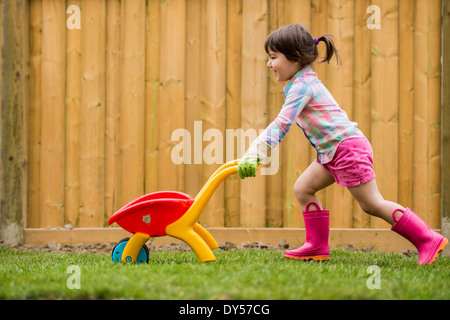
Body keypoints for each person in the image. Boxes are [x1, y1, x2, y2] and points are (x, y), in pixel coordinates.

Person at [237, 24, 447, 265]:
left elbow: (282, 123)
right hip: (332, 152)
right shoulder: (300, 84)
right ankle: (316, 245)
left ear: (295, 58)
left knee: (371, 204)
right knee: (303, 188)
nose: (269, 64)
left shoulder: (302, 87)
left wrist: (256, 153)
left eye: (273, 57)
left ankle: (427, 239)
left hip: (347, 149)